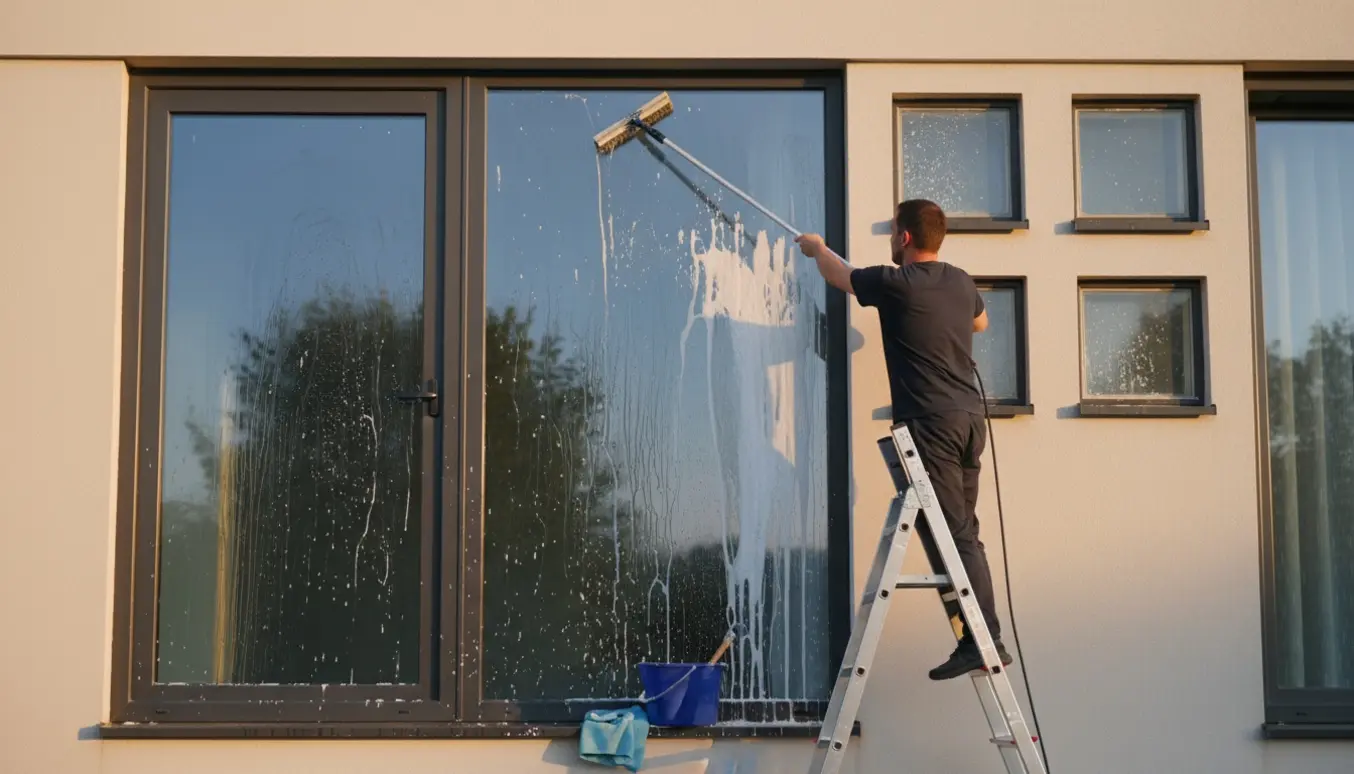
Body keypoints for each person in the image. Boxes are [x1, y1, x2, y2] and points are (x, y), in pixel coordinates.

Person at [794, 198, 1012, 681]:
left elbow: (842, 277)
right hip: (969, 420)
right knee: (960, 532)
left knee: (954, 532)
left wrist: (815, 248)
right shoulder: (959, 280)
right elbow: (981, 323)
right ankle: (975, 636)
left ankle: (984, 640)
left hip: (932, 422)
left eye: (894, 231)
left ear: (906, 237)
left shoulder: (896, 283)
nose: (892, 238)